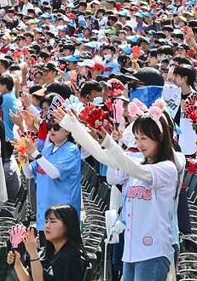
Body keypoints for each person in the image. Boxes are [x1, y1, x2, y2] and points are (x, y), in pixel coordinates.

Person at [59, 109, 179, 280]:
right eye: (136, 138)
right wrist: (74, 127)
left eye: (144, 138)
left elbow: (135, 169)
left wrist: (109, 142)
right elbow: (102, 156)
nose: (139, 144)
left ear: (160, 138)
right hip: (131, 251)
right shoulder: (137, 163)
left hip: (153, 253)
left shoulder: (167, 169)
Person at [18, 117, 81, 229]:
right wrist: (24, 160)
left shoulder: (71, 150)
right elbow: (29, 174)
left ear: (67, 131)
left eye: (56, 127)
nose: (52, 130)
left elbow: (55, 173)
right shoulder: (47, 149)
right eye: (50, 127)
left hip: (62, 217)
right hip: (44, 216)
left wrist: (36, 154)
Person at [7, 204, 88, 281]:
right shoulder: (45, 252)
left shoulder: (71, 256)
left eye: (52, 222)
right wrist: (17, 264)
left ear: (67, 225)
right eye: (46, 221)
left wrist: (33, 253)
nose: (47, 226)